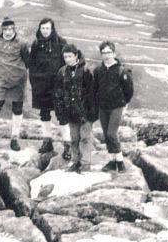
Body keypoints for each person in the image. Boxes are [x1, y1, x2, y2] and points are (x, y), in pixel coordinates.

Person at [27, 17, 71, 159]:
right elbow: (31, 63)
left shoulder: (61, 43)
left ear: (52, 29)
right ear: (40, 29)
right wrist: (34, 81)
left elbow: (69, 62)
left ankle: (67, 145)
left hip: (58, 86)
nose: (45, 31)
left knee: (62, 115)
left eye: (47, 28)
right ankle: (47, 142)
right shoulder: (36, 44)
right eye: (43, 28)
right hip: (41, 85)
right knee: (44, 114)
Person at [54, 44, 98, 173]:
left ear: (76, 56)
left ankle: (86, 163)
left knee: (85, 137)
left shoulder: (86, 71)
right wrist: (60, 112)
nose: (67, 59)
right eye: (65, 57)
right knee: (74, 138)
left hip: (85, 111)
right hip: (70, 111)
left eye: (70, 56)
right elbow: (58, 93)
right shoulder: (62, 72)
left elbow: (93, 92)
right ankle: (76, 162)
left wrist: (93, 112)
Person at [0, 16, 29, 150]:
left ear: (14, 29)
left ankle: (14, 138)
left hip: (17, 79)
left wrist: (18, 72)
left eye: (11, 28)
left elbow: (26, 60)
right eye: (5, 29)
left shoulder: (22, 43)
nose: (8, 31)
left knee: (17, 108)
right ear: (2, 30)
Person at [94, 41, 134, 173]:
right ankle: (112, 161)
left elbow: (129, 90)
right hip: (102, 106)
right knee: (106, 135)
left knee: (112, 133)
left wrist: (124, 102)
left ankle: (120, 162)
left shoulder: (122, 70)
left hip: (116, 106)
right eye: (104, 53)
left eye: (109, 52)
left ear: (114, 53)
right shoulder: (98, 70)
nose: (106, 55)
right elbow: (95, 88)